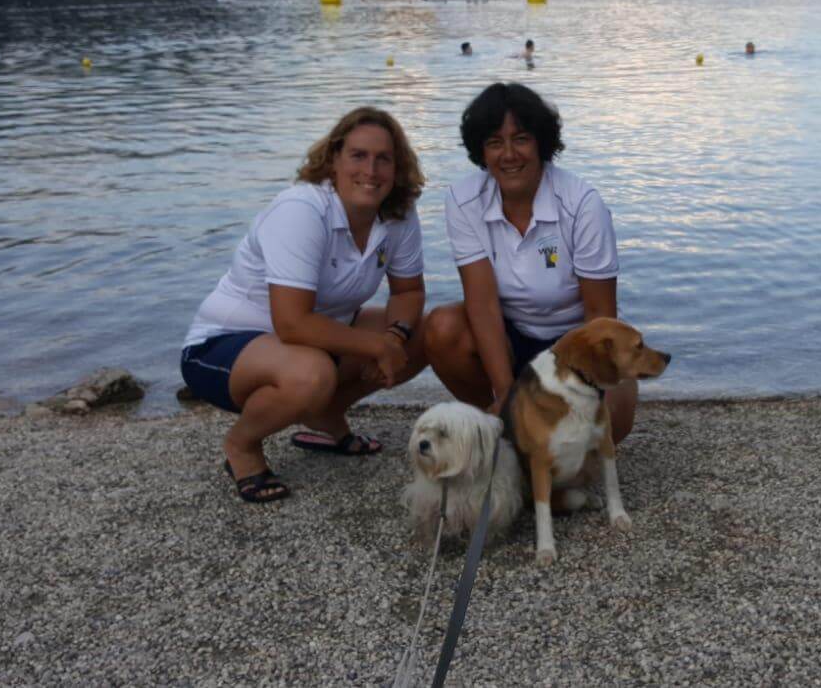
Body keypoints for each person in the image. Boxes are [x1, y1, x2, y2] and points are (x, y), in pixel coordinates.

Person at [180, 107, 428, 502]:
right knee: (311, 375)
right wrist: (379, 346)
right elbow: (292, 324)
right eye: (358, 155)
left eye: (384, 159)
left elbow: (408, 292)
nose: (371, 169)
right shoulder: (302, 209)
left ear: (398, 168)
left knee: (424, 333)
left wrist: (396, 337)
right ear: (333, 159)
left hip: (312, 340)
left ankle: (326, 415)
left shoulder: (397, 214)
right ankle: (242, 446)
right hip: (225, 345)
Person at [420, 83, 637, 444]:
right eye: (494, 142)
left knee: (613, 419)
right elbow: (483, 304)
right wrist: (507, 394)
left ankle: (549, 437)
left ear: (541, 142)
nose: (509, 154)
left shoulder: (582, 204)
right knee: (442, 327)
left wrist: (576, 389)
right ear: (481, 152)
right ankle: (504, 427)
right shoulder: (462, 200)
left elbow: (600, 317)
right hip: (510, 334)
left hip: (576, 339)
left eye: (520, 139)